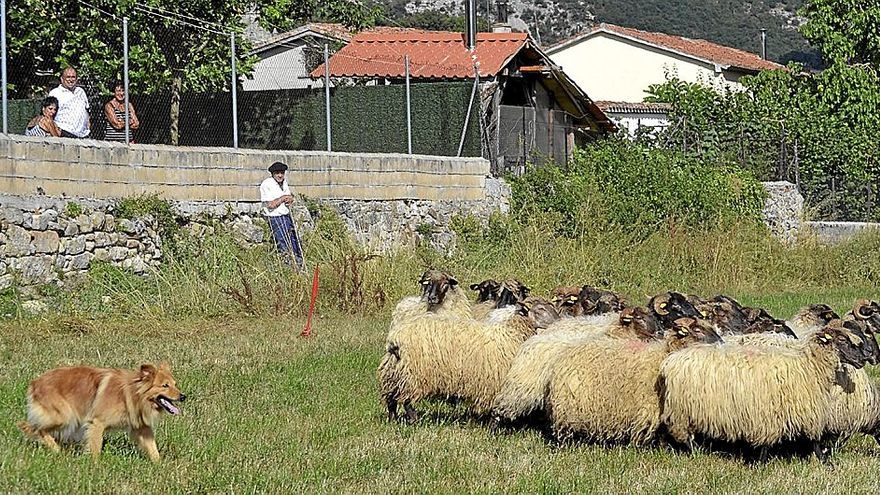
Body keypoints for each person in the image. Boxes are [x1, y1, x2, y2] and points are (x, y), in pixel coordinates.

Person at [260, 161, 305, 270]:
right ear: (273, 174)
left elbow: (289, 196)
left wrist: (290, 199)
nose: (280, 175)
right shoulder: (267, 184)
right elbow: (270, 205)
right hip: (275, 217)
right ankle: (288, 266)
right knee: (283, 242)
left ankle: (299, 264)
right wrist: (283, 198)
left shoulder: (284, 183)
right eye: (277, 173)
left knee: (294, 240)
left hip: (286, 215)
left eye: (282, 173)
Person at [48, 67, 90, 138]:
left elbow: (86, 111)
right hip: (64, 133)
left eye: (73, 77)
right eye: (68, 77)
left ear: (77, 79)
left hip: (82, 135)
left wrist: (88, 128)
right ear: (62, 79)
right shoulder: (55, 93)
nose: (71, 80)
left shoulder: (81, 91)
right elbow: (48, 114)